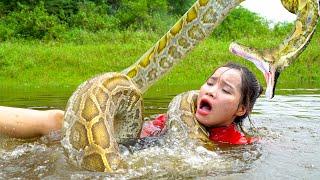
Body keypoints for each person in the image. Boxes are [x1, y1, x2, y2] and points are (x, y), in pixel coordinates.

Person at [0, 62, 262, 145]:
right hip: (131, 148)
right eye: (210, 82)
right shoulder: (176, 114)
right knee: (59, 119)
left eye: (226, 89)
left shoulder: (234, 141)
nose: (212, 90)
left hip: (134, 165)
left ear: (241, 109)